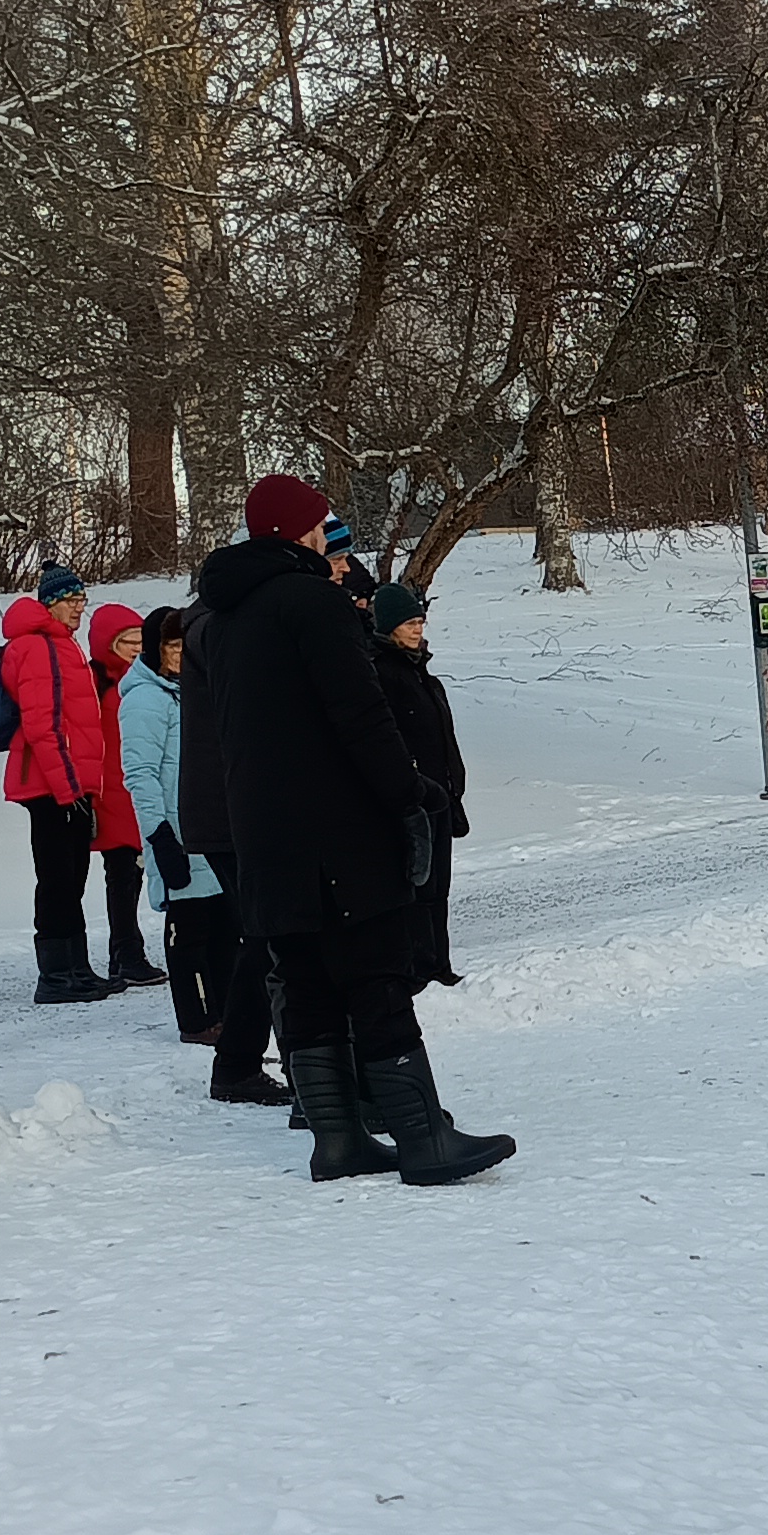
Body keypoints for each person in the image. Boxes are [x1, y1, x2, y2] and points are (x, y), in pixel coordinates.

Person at [205, 473, 511, 1186]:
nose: (328, 536)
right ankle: (422, 1137)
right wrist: (411, 792)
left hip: (266, 835)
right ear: (299, 532)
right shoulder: (312, 602)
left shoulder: (220, 617)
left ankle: (337, 1141)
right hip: (336, 831)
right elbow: (359, 712)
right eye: (321, 524)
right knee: (375, 978)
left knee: (306, 982)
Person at [119, 602, 278, 1101]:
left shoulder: (193, 691)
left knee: (227, 928)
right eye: (169, 647)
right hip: (176, 831)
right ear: (154, 650)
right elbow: (140, 774)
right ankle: (197, 1018)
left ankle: (228, 1016)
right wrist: (159, 835)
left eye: (183, 647)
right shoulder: (145, 700)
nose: (178, 656)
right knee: (188, 933)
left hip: (210, 828)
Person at [175, 556, 287, 1106]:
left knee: (264, 938)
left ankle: (242, 1061)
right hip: (228, 811)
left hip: (225, 808)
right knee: (269, 937)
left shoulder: (205, 626)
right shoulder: (211, 631)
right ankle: (243, 1063)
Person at [0, 564, 115, 1003]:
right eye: (72, 601)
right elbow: (43, 725)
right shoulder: (37, 647)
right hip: (50, 785)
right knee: (57, 879)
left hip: (68, 782)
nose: (79, 609)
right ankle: (55, 976)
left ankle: (77, 968)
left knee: (72, 876)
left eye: (83, 601)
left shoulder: (62, 646)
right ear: (51, 603)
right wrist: (69, 791)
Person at [368, 578, 468, 991]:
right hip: (409, 798)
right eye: (408, 622)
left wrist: (454, 785)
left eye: (420, 620)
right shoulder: (381, 674)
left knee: (438, 886)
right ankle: (415, 969)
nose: (417, 628)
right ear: (389, 626)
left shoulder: (426, 676)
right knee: (415, 884)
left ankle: (437, 962)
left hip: (441, 797)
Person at [83, 599, 167, 990]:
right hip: (112, 795)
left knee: (132, 876)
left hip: (134, 792)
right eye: (125, 641)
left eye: (138, 639)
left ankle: (127, 952)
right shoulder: (100, 685)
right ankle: (126, 952)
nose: (135, 648)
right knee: (122, 876)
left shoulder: (139, 681)